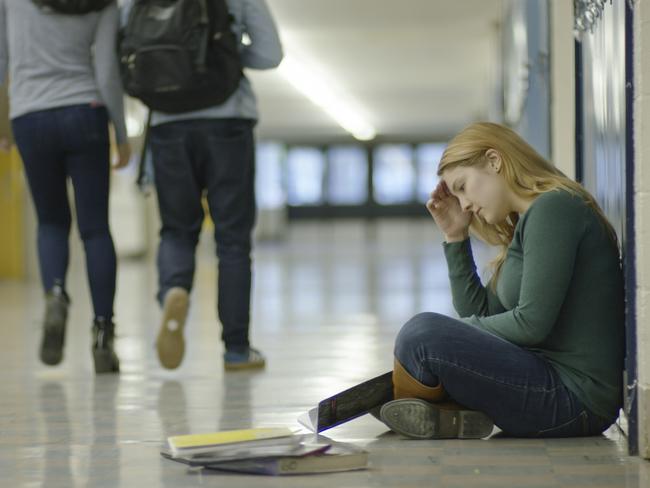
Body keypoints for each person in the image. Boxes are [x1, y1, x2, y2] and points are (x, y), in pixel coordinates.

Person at [378, 122, 624, 439]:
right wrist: (455, 237)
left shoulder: (555, 208)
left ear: (494, 160)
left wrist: (447, 336)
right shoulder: (529, 221)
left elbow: (530, 325)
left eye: (463, 186)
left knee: (422, 334)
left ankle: (430, 403)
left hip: (574, 400)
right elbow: (481, 312)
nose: (464, 204)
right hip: (548, 385)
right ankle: (438, 407)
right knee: (424, 335)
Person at [120, 0, 283, 371]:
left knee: (176, 230)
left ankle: (174, 291)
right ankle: (237, 349)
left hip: (166, 123)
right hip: (228, 121)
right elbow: (270, 53)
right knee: (232, 239)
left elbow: (125, 50)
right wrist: (224, 53)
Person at [0, 0, 130, 373]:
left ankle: (56, 294)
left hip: (30, 115)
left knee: (52, 222)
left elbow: (1, 59)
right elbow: (107, 72)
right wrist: (120, 133)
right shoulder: (103, 3)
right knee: (95, 229)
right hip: (84, 112)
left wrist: (3, 121)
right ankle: (103, 334)